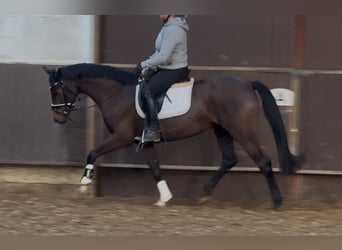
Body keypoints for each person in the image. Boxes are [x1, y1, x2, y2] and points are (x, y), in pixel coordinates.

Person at [134, 15, 190, 143]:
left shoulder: (174, 29)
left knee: (147, 91)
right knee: (141, 83)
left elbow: (163, 56)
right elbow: (158, 52)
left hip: (174, 70)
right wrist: (147, 62)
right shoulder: (167, 27)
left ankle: (153, 131)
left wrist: (144, 64)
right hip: (165, 67)